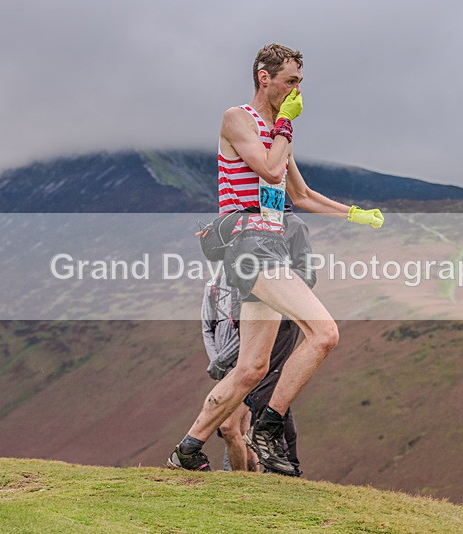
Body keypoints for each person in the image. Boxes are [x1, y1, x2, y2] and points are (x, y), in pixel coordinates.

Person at [167, 43, 384, 475]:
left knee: (251, 369)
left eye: (300, 82)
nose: (297, 90)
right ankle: (268, 427)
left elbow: (297, 194)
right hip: (249, 245)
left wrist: (352, 213)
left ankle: (187, 450)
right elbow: (268, 170)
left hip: (274, 243)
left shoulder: (278, 135)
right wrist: (285, 123)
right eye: (290, 81)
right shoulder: (237, 119)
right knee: (324, 333)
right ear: (264, 78)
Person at [202, 209, 313, 474]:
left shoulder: (294, 225)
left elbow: (307, 274)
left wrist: (276, 287)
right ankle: (260, 471)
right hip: (250, 323)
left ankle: (284, 466)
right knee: (239, 419)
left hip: (281, 318)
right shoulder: (244, 225)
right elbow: (209, 323)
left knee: (269, 394)